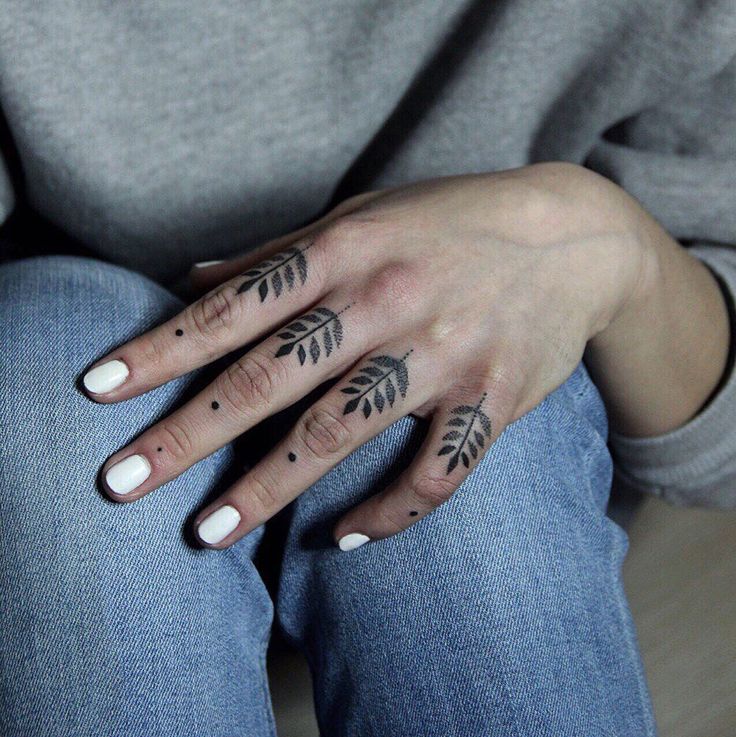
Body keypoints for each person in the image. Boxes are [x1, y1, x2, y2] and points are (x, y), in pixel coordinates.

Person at [1, 2, 734, 735]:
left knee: (474, 420)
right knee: (54, 385)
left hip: (499, 482)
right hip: (61, 419)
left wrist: (601, 239)